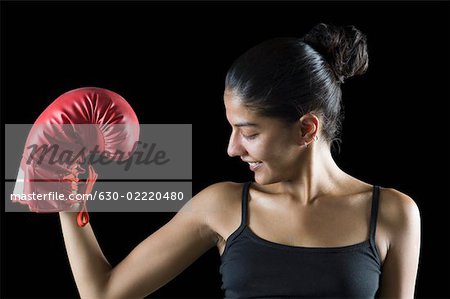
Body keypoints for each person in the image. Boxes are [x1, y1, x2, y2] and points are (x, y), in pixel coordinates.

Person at [59, 23, 421, 298]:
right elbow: (103, 293)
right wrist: (67, 201)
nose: (232, 148)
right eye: (232, 129)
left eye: (249, 132)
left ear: (307, 129)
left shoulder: (393, 213)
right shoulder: (222, 205)